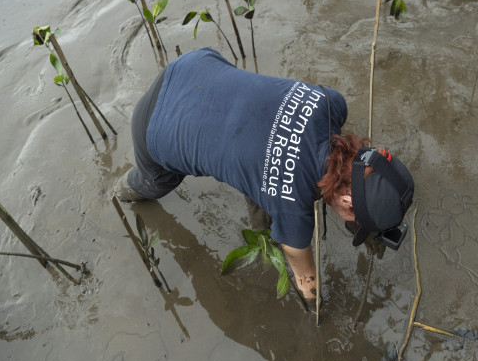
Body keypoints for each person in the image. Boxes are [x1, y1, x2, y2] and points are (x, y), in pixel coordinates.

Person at [116, 47, 414, 301]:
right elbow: (306, 282)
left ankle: (260, 221)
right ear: (347, 202)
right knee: (150, 185)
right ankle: (117, 191)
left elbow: (280, 151)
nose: (350, 224)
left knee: (259, 160)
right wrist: (318, 311)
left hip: (193, 66)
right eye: (354, 225)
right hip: (155, 126)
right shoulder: (293, 206)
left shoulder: (330, 103)